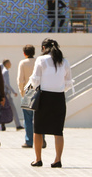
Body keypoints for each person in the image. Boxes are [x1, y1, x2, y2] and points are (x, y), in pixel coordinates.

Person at [27, 39, 73, 168]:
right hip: (59, 98)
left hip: (44, 97)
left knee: (38, 129)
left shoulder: (41, 60)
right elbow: (68, 83)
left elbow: (35, 80)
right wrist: (58, 88)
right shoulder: (64, 61)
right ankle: (57, 160)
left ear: (43, 47)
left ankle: (38, 159)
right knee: (58, 130)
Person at [18, 44, 43, 149]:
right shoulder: (39, 62)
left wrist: (22, 92)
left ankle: (29, 141)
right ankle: (42, 140)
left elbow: (20, 80)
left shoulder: (23, 63)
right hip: (39, 91)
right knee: (40, 118)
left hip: (27, 92)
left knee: (27, 119)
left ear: (24, 53)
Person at [1, 59, 23, 130]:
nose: (11, 64)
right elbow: (7, 83)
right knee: (13, 108)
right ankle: (18, 125)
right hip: (6, 93)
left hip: (2, 92)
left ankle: (2, 125)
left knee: (2, 108)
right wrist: (14, 92)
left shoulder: (2, 70)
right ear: (7, 63)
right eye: (10, 63)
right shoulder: (6, 71)